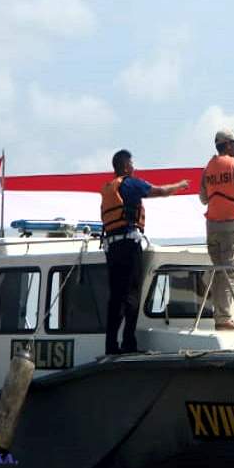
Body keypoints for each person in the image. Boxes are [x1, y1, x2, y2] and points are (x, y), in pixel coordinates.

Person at [100, 149, 189, 354]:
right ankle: (129, 344)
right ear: (125, 166)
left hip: (111, 247)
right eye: (132, 163)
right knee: (132, 295)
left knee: (116, 297)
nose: (134, 167)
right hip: (128, 245)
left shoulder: (109, 188)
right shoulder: (130, 184)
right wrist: (180, 185)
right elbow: (160, 191)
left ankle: (111, 345)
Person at [199, 128, 234, 330]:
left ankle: (219, 316)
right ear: (228, 145)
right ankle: (224, 319)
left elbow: (203, 198)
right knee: (229, 272)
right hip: (230, 225)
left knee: (218, 270)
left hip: (211, 225)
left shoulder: (208, 168)